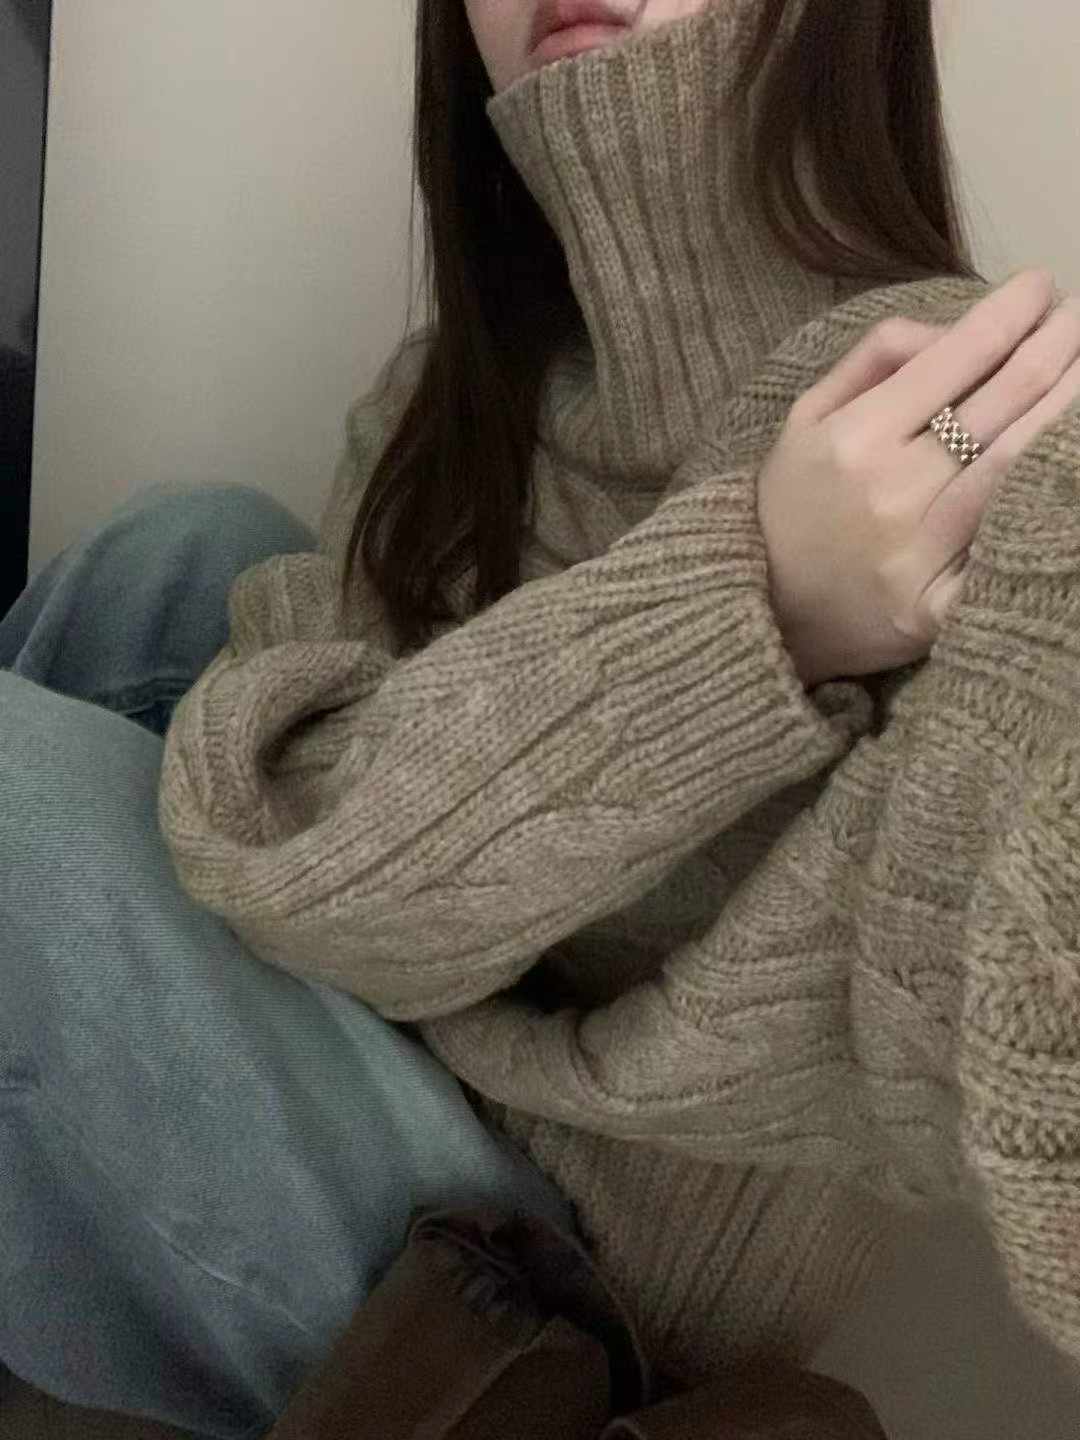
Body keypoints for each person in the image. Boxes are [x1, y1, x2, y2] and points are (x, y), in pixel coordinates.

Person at [2, 1, 1079, 1436]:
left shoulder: (969, 419)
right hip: (390, 1030)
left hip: (543, 1291)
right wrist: (756, 596)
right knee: (184, 552)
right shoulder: (455, 395)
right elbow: (300, 872)